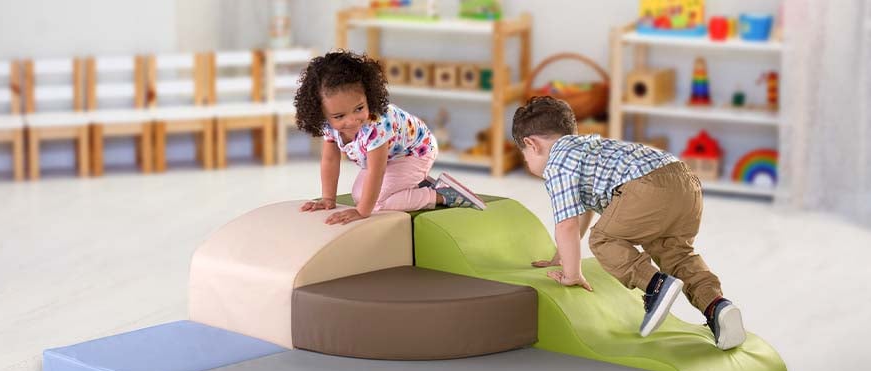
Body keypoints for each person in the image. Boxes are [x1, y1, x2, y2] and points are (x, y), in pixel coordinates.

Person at [511, 96, 746, 350]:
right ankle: (718, 308)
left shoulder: (557, 162)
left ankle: (655, 285)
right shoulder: (586, 148)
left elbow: (566, 224)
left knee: (602, 240)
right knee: (677, 256)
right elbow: (582, 212)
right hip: (684, 181)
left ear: (531, 144)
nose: (528, 164)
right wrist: (562, 256)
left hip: (647, 186)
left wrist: (572, 273)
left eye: (525, 158)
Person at [293, 50, 486, 225]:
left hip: (416, 152)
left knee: (374, 203)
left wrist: (362, 212)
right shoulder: (330, 126)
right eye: (339, 116)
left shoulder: (375, 126)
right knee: (358, 195)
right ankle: (416, 183)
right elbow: (330, 159)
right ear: (321, 113)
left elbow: (376, 171)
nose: (352, 121)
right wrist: (328, 199)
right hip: (391, 157)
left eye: (359, 108)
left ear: (368, 95)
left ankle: (441, 195)